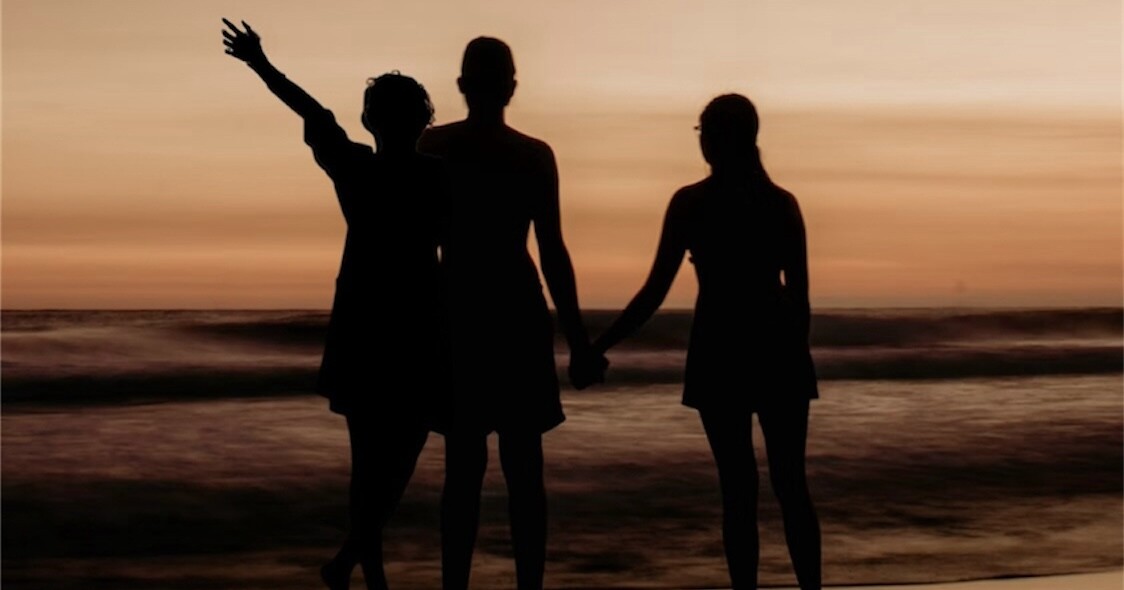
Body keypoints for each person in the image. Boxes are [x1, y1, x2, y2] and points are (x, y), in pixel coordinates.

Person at [222, 20, 449, 590]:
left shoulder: (356, 167)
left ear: (371, 121)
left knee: (369, 456)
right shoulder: (439, 177)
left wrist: (260, 63)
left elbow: (312, 111)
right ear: (425, 118)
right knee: (399, 451)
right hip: (417, 319)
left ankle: (354, 562)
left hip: (365, 319)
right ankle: (360, 567)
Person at [591, 94, 821, 590]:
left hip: (720, 349)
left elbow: (653, 291)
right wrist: (794, 357)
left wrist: (600, 344)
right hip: (777, 349)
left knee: (738, 490)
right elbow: (800, 298)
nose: (703, 142)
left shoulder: (692, 203)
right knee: (790, 486)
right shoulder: (781, 204)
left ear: (717, 139)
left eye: (705, 132)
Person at [418, 37, 606, 590]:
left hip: (458, 313)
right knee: (525, 471)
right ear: (511, 89)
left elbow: (418, 245)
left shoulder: (433, 147)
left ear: (461, 87)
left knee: (463, 471)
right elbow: (552, 251)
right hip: (519, 314)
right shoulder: (532, 155)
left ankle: (455, 585)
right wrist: (578, 341)